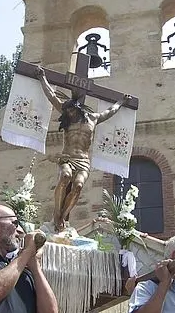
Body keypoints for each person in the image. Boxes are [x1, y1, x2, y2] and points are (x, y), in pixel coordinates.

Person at [36, 66, 132, 231]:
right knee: (65, 176)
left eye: (72, 110)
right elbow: (51, 96)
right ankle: (57, 216)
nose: (70, 114)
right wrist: (42, 78)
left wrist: (121, 102)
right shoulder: (67, 116)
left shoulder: (93, 119)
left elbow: (110, 111)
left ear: (78, 108)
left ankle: (64, 217)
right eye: (67, 111)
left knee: (78, 186)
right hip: (67, 157)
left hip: (83, 160)